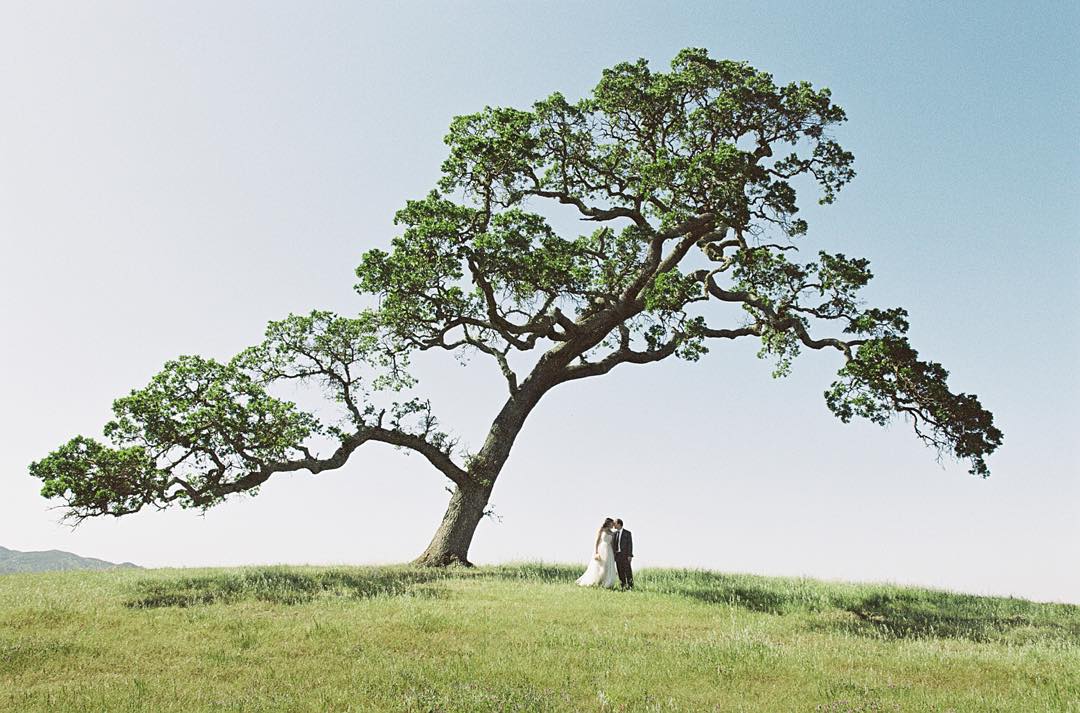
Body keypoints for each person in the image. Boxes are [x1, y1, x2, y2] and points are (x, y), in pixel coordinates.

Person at [575, 517, 618, 588]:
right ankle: (596, 581)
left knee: (607, 566)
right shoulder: (601, 530)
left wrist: (613, 553)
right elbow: (597, 541)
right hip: (601, 549)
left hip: (609, 550)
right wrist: (596, 552)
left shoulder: (612, 533)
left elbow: (612, 544)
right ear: (608, 523)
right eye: (611, 523)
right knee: (599, 566)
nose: (612, 525)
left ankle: (606, 583)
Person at [612, 518, 633, 589]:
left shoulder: (627, 533)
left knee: (628, 571)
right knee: (620, 571)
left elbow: (630, 544)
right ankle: (623, 586)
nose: (613, 525)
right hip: (617, 555)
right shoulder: (614, 534)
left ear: (619, 524)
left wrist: (630, 555)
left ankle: (630, 586)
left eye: (614, 523)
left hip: (625, 555)